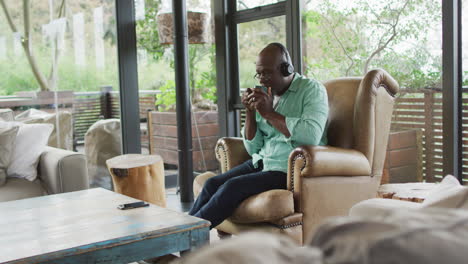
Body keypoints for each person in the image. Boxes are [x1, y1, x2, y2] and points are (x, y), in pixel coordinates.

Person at [188, 42, 329, 228]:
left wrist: (270, 113)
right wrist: (251, 114)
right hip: (262, 161)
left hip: (288, 168)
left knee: (231, 188)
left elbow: (310, 136)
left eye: (267, 73)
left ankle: (185, 238)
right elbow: (252, 148)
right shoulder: (266, 94)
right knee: (211, 184)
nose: (262, 79)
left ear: (287, 69)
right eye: (259, 73)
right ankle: (181, 232)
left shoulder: (312, 90)